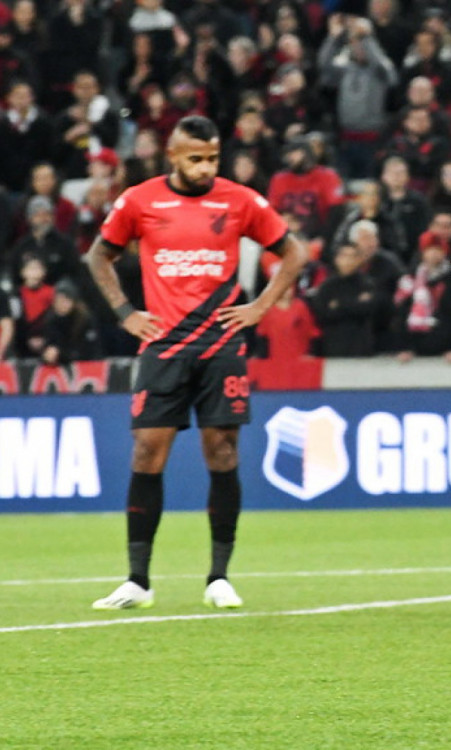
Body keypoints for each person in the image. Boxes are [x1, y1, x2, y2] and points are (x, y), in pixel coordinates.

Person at [85, 115, 306, 610]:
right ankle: (137, 581)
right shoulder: (139, 201)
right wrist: (124, 314)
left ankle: (219, 577)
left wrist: (259, 308)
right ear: (173, 155)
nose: (205, 168)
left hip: (220, 347)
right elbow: (98, 257)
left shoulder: (240, 200)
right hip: (163, 347)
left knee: (222, 454)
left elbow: (294, 253)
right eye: (195, 158)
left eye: (212, 158)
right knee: (147, 454)